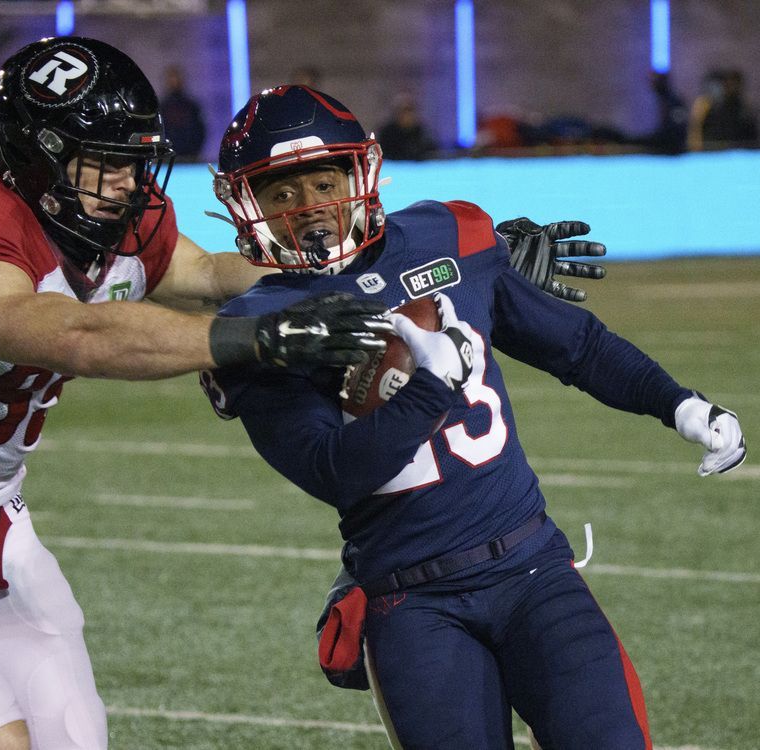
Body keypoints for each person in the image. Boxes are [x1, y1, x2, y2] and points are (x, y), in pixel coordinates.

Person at [0, 39, 388, 750]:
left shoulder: (117, 217)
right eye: (107, 162)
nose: (129, 183)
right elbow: (65, 333)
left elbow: (213, 272)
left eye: (133, 160)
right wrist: (252, 339)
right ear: (38, 157)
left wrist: (362, 272)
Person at [200, 86, 747, 749]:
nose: (311, 208)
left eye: (323, 180)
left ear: (361, 171)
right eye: (282, 194)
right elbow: (331, 471)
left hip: (533, 569)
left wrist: (678, 402)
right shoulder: (256, 327)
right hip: (412, 603)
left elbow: (575, 344)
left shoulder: (448, 235)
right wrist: (431, 387)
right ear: (246, 204)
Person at [159, 65, 206, 161]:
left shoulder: (191, 106)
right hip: (167, 157)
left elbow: (199, 130)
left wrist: (194, 150)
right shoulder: (162, 107)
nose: (174, 81)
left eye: (176, 77)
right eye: (171, 78)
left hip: (189, 156)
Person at [375, 90, 436, 160]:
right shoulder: (386, 133)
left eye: (409, 110)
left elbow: (430, 153)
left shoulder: (422, 132)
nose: (406, 115)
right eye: (403, 111)